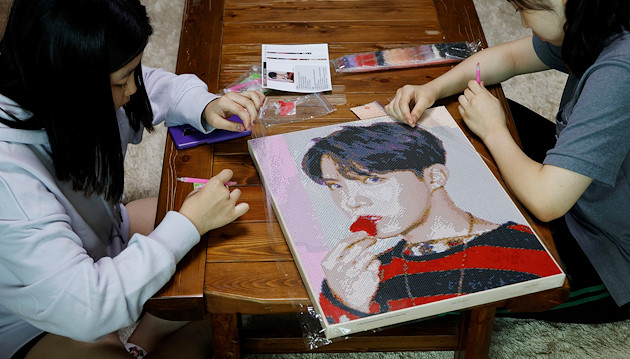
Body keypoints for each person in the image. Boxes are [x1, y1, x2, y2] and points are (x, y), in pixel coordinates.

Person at [0, 0, 265, 358]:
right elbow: (86, 307)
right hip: (38, 320)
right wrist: (186, 224)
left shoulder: (58, 87)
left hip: (103, 237)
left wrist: (203, 104)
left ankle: (144, 337)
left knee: (224, 252)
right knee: (206, 323)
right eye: (122, 81)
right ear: (72, 89)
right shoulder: (11, 181)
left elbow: (150, 85)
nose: (134, 90)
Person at [385, 0, 630, 322]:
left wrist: (494, 131)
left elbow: (548, 202)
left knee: (440, 284)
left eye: (526, 9)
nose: (520, 21)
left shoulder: (622, 70)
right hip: (585, 184)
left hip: (613, 251)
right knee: (475, 117)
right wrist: (432, 89)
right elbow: (509, 57)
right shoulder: (601, 19)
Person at [300, 122, 561, 323]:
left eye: (372, 179)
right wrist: (348, 301)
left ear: (435, 176)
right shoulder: (364, 273)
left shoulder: (521, 245)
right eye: (336, 186)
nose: (351, 202)